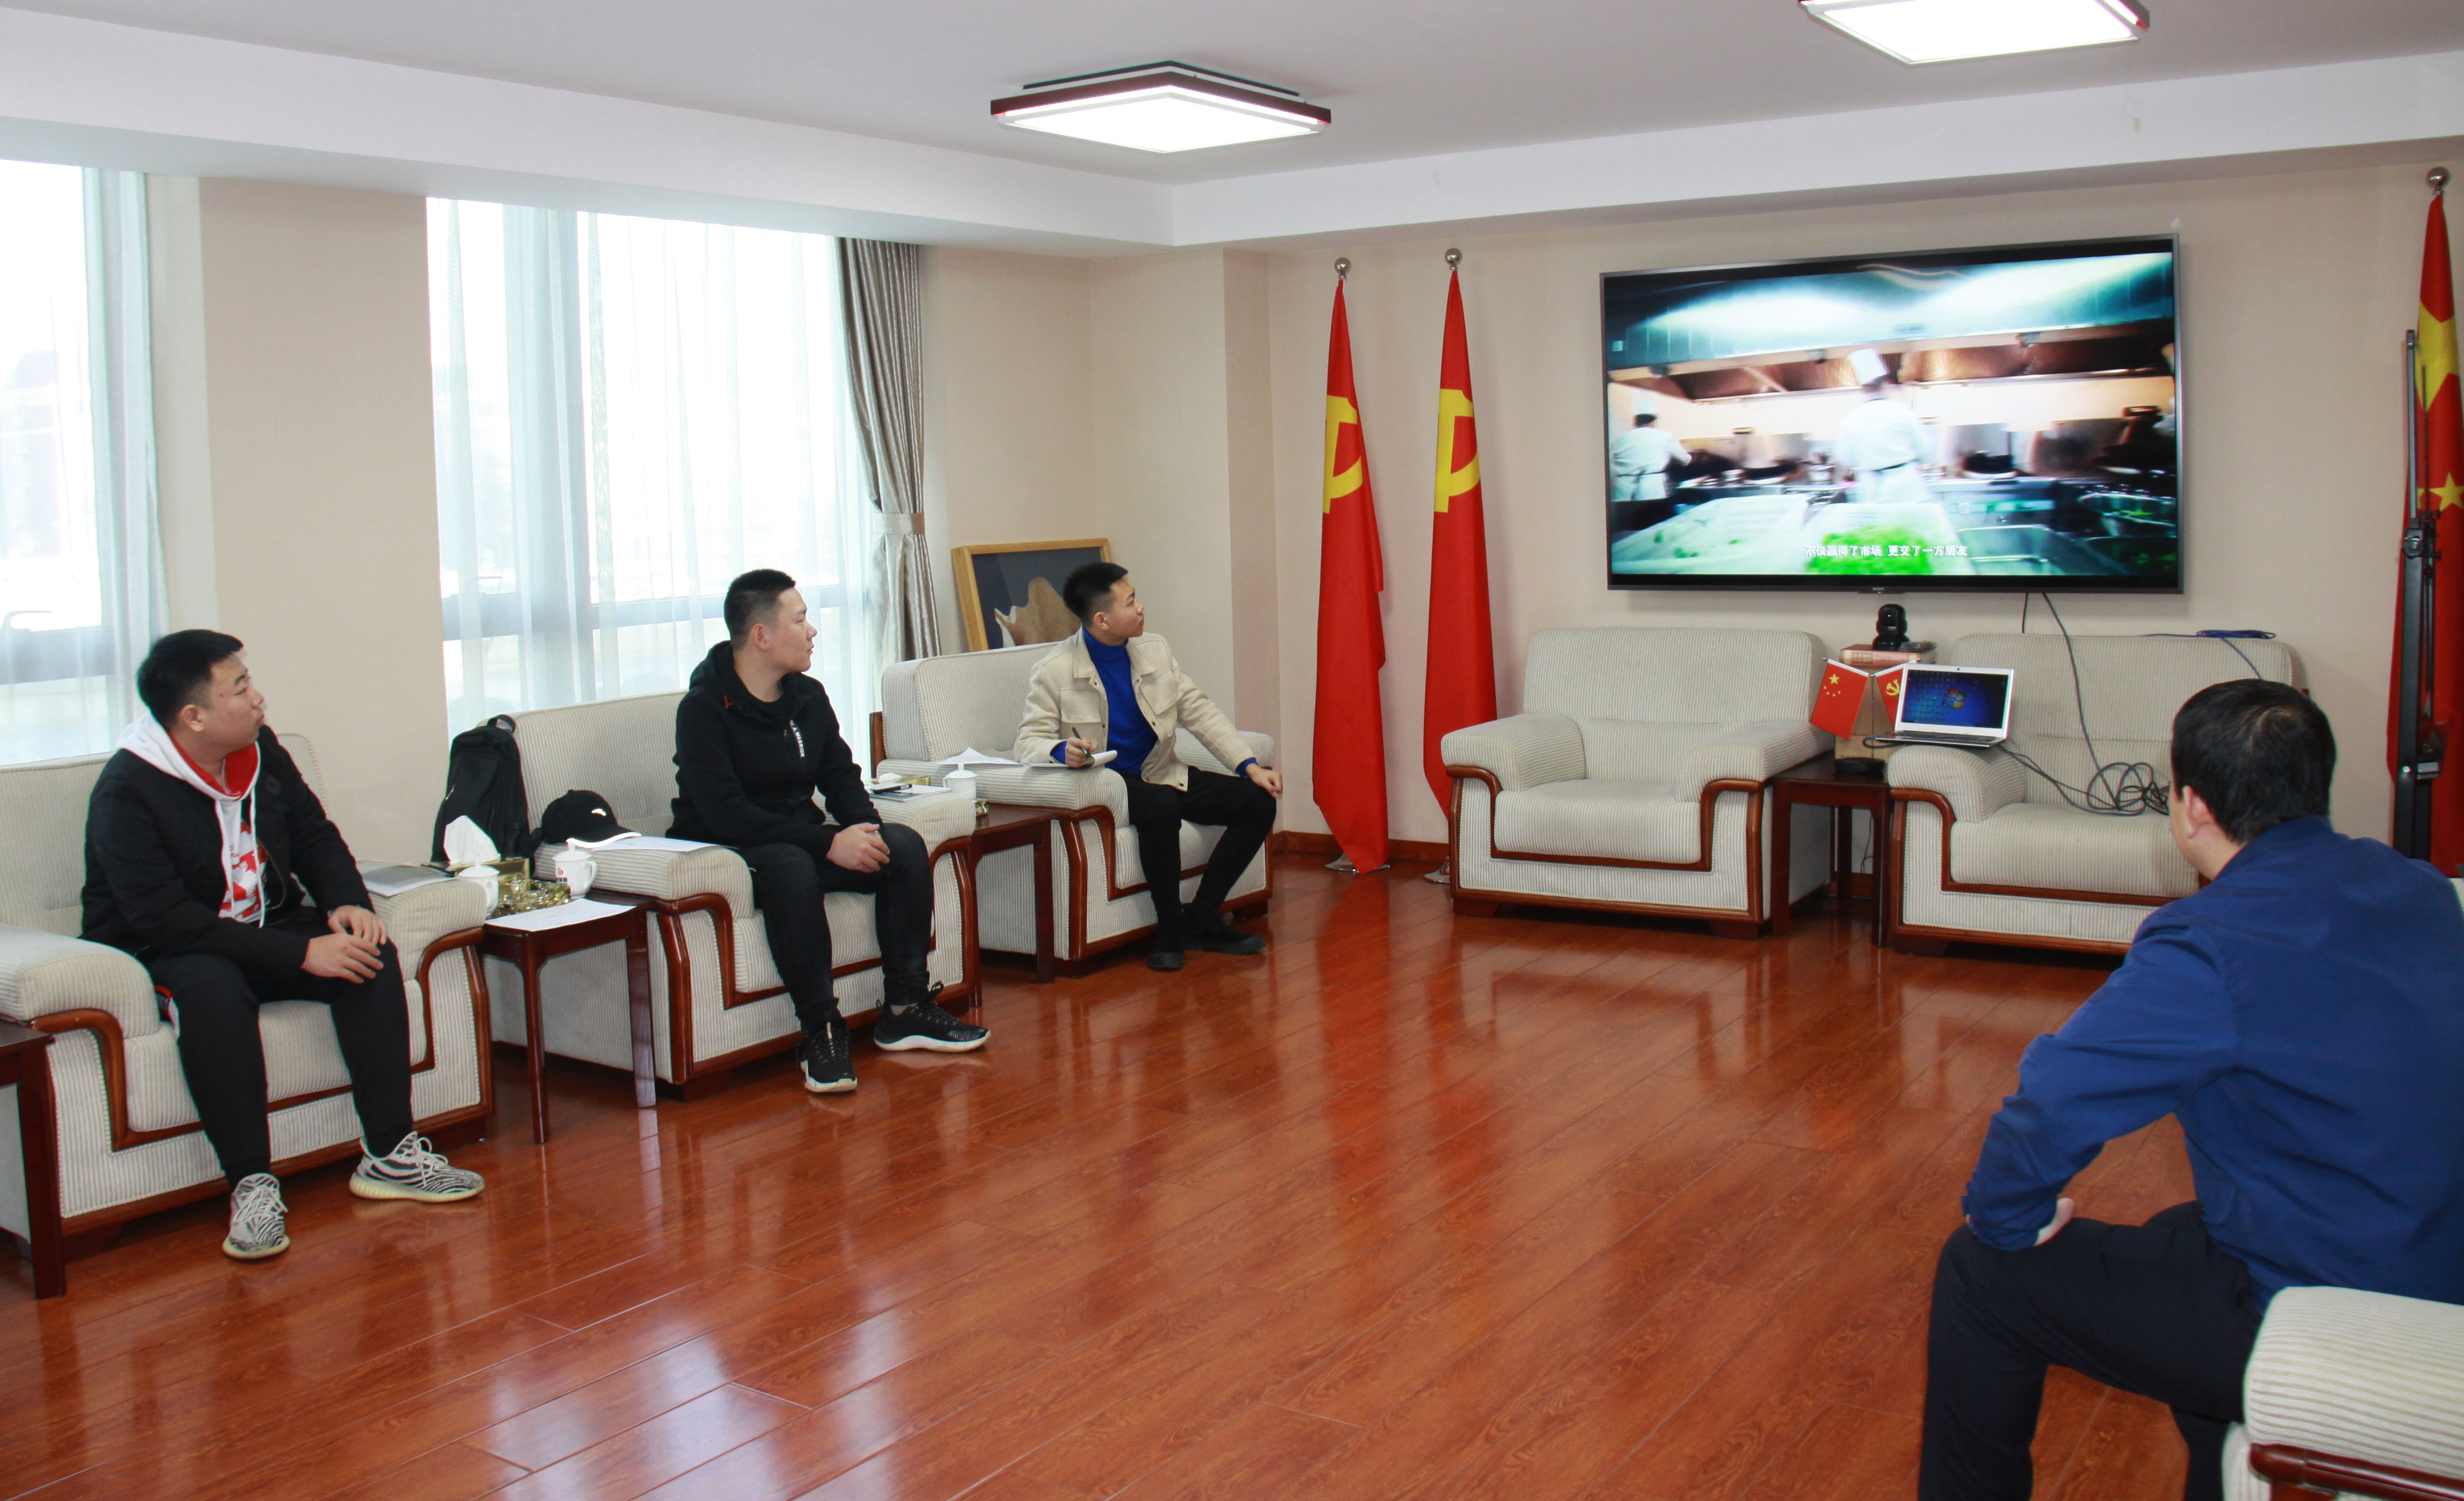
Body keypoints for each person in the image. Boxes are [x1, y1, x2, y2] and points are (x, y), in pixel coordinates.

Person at [1919, 680, 2464, 1501]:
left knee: (1980, 1273)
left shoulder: (2212, 940)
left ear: (2193, 806)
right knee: (2180, 1236)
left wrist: (2006, 1218)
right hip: (2433, 1260)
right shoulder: (2420, 887)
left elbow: (2055, 1101)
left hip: (2334, 1305)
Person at [81, 630, 484, 1263]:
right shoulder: (128, 790)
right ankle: (251, 1185)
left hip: (264, 921)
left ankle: (390, 1155)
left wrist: (346, 901)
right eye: (239, 688)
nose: (258, 698)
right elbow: (165, 920)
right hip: (173, 945)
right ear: (194, 716)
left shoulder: (260, 748)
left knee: (366, 954)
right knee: (214, 991)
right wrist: (300, 954)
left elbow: (314, 832)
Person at [671, 568, 986, 1094]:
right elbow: (727, 814)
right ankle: (821, 1030)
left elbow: (841, 777)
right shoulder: (704, 709)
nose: (813, 630)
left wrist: (865, 830)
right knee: (790, 865)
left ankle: (906, 1008)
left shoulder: (808, 696)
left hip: (801, 840)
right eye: (800, 620)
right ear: (762, 635)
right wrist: (829, 843)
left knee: (902, 846)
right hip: (735, 850)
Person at [1015, 562, 1281, 973]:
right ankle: (1170, 928)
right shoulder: (1054, 670)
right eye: (1131, 602)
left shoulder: (1153, 649)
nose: (1141, 608)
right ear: (1102, 620)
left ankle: (1202, 917)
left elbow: (1198, 710)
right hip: (1113, 781)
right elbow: (1027, 742)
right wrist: (1059, 749)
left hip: (1161, 768)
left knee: (1257, 802)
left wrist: (1248, 765)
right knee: (1160, 805)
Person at [1833, 348, 1934, 507]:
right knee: (1909, 521)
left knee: (1878, 522)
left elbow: (1844, 458)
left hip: (1871, 488)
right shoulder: (1902, 411)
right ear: (1885, 385)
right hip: (1906, 486)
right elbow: (1925, 449)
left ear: (1864, 389)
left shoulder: (1850, 420)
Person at [1608, 409, 1692, 504]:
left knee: (1624, 512)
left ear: (1635, 423)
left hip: (1623, 488)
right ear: (1653, 423)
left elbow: (1609, 461)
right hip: (1651, 488)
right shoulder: (1663, 436)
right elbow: (1684, 459)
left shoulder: (1621, 438)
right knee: (1651, 512)